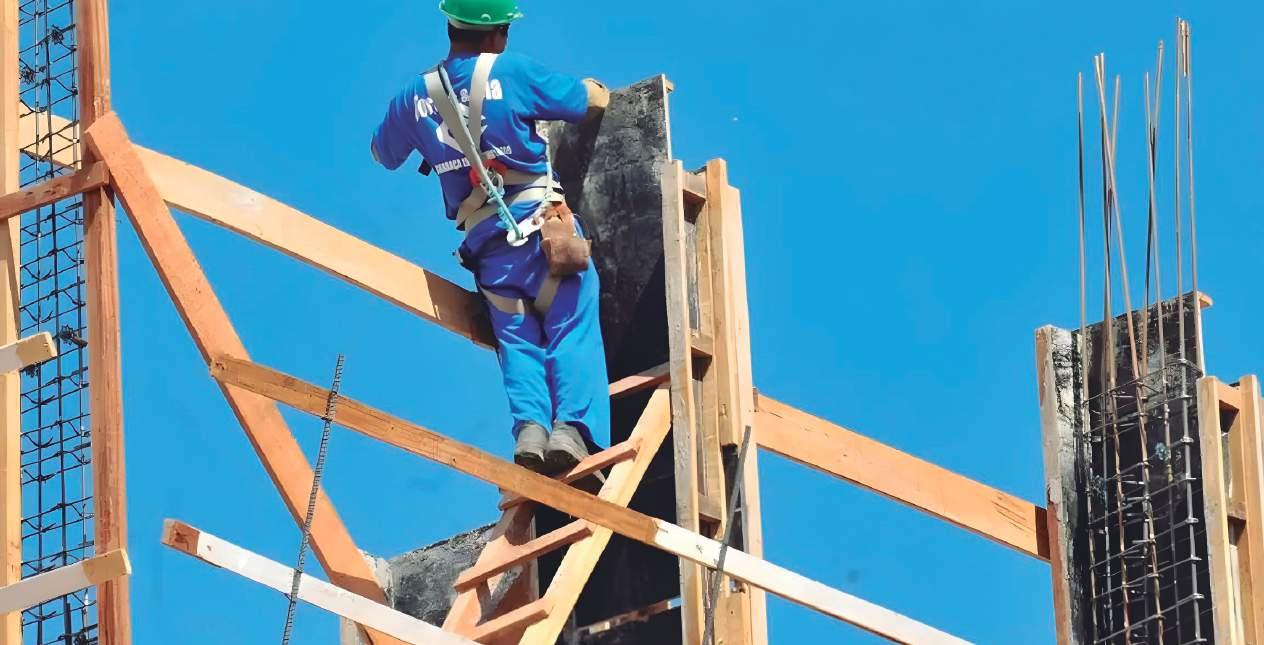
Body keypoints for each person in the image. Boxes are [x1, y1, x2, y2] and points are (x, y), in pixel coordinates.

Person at [370, 0, 612, 474]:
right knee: (571, 325)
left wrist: (434, 136)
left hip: (490, 253)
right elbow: (585, 101)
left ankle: (531, 432)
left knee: (517, 340)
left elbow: (382, 153)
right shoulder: (514, 71)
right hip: (541, 231)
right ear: (495, 35)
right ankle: (573, 431)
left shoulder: (414, 95)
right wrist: (595, 88)